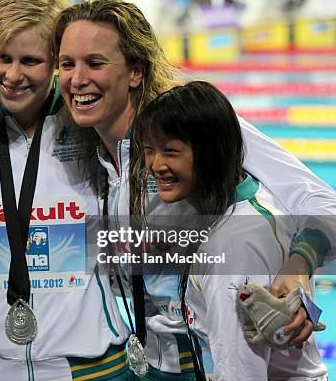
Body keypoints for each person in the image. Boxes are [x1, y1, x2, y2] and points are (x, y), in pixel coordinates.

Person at [54, 0, 335, 380]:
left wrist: (298, 269)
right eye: (67, 64)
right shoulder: (86, 152)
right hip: (153, 360)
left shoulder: (193, 129)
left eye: (96, 63)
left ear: (136, 71)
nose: (77, 78)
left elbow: (318, 200)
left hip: (214, 357)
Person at [0, 0, 133, 381]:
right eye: (2, 58)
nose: (13, 75)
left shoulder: (90, 121)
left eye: (31, 60)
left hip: (92, 366)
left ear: (55, 61)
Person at [134, 80, 327, 380]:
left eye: (171, 151)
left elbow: (240, 373)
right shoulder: (248, 198)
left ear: (211, 152)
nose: (156, 164)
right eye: (150, 150)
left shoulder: (233, 247)